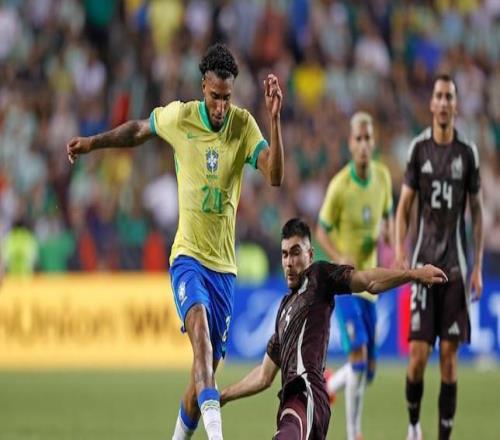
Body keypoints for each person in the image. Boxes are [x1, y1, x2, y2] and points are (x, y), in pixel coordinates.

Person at [66, 43, 285, 440]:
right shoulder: (181, 117)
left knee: (201, 380)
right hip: (188, 258)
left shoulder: (243, 125)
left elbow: (274, 176)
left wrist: (274, 120)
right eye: (215, 97)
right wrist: (93, 143)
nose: (221, 107)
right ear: (203, 87)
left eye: (227, 98)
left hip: (224, 270)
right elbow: (138, 130)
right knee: (200, 343)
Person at [220, 218, 447, 440]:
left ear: (310, 255)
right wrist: (224, 395)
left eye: (296, 253)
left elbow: (368, 281)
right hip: (301, 405)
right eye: (285, 254)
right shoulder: (283, 310)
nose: (289, 262)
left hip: (304, 396)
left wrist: (414, 274)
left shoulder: (319, 276)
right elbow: (263, 376)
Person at [395, 74, 484, 440]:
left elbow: (477, 212)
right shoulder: (418, 150)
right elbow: (403, 208)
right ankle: (414, 425)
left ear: (455, 105)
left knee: (449, 359)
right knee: (417, 357)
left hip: (456, 270)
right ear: (431, 104)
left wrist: (478, 266)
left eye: (450, 96)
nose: (444, 102)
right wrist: (400, 250)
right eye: (439, 96)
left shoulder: (468, 153)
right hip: (422, 268)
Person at [315, 111, 393, 440]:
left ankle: (330, 385)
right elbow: (321, 230)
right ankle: (354, 433)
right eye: (358, 139)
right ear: (350, 143)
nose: (363, 145)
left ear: (373, 143)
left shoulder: (383, 177)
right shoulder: (340, 186)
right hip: (345, 285)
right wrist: (339, 258)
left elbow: (388, 216)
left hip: (370, 285)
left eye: (367, 138)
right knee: (358, 355)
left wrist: (389, 236)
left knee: (367, 370)